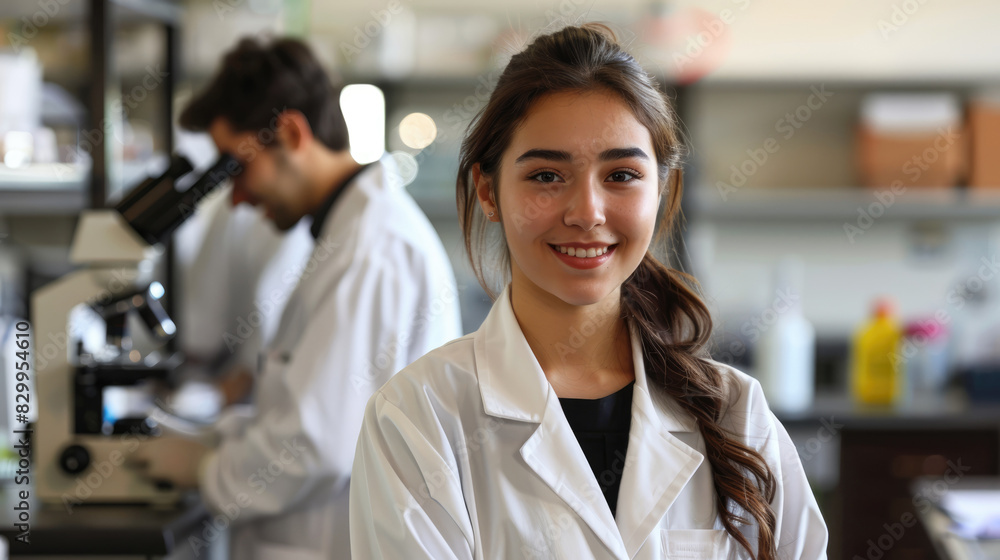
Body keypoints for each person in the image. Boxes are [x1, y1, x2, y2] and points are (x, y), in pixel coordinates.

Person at [349, 23, 828, 559]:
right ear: (488, 191)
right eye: (547, 176)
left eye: (621, 175)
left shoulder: (734, 413)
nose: (586, 213)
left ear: (661, 190)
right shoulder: (418, 419)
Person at [133, 37, 463, 560]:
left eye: (235, 168)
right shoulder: (345, 234)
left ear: (289, 132)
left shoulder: (371, 249)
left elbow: (316, 447)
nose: (236, 197)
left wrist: (205, 469)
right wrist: (217, 441)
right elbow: (302, 407)